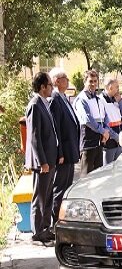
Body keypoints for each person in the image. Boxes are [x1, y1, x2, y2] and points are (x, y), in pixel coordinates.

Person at [25, 72, 58, 243]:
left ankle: (45, 228)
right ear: (43, 87)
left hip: (51, 159)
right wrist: (42, 161)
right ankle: (37, 232)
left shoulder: (44, 103)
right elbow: (34, 137)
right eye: (50, 85)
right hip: (43, 162)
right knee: (40, 196)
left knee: (48, 195)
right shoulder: (35, 105)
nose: (52, 87)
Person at [48, 68, 80, 230]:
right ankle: (55, 223)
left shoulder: (64, 97)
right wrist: (59, 152)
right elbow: (56, 129)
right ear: (56, 80)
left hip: (71, 150)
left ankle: (62, 220)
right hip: (63, 153)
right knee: (59, 189)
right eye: (64, 78)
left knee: (67, 187)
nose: (67, 80)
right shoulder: (54, 99)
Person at [74, 70, 109, 177]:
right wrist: (103, 131)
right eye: (90, 81)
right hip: (88, 145)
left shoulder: (98, 99)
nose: (93, 84)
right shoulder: (81, 99)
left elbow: (105, 117)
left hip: (99, 143)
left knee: (98, 177)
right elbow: (87, 120)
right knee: (86, 178)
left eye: (95, 81)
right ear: (85, 82)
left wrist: (105, 132)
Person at [101, 78, 122, 165]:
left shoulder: (116, 99)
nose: (118, 89)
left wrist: (120, 101)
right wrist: (115, 137)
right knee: (107, 168)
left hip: (119, 139)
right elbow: (104, 123)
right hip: (110, 140)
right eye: (117, 87)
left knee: (118, 167)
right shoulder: (101, 100)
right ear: (110, 87)